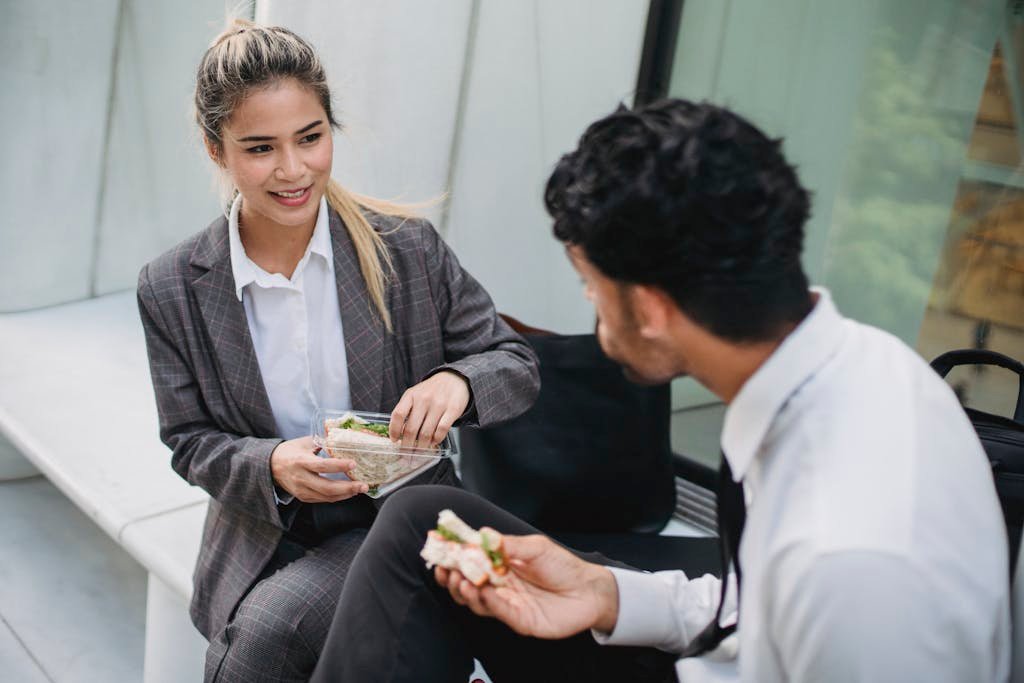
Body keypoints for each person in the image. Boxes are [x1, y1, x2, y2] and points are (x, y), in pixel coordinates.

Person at [310, 99, 1011, 682]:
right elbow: (754, 612)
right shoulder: (869, 368)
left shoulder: (852, 568)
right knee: (423, 519)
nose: (587, 304)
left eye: (589, 284)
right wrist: (605, 592)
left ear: (649, 308)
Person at [136, 18, 539, 683]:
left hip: (403, 516)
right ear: (218, 151)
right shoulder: (173, 285)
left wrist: (456, 384)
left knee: (264, 644)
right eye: (261, 148)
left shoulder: (406, 249)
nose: (293, 169)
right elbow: (188, 440)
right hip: (265, 532)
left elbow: (514, 363)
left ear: (331, 129)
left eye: (311, 138)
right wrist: (271, 464)